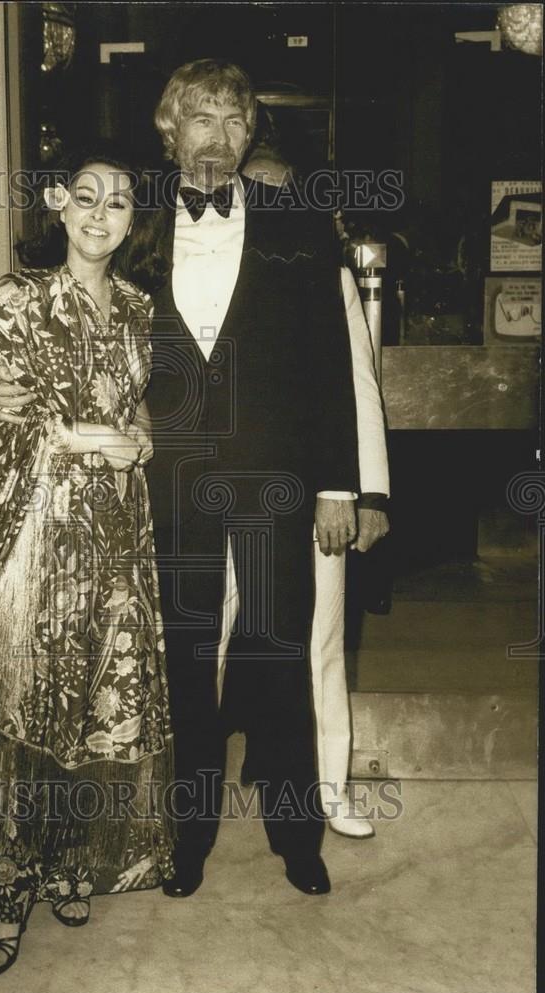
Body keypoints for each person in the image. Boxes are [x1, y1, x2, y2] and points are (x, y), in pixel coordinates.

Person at [0, 59, 359, 902]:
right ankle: (185, 841)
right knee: (178, 668)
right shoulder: (129, 223)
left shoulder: (298, 220)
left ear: (252, 137)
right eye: (201, 120)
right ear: (169, 132)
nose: (219, 138)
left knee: (281, 657)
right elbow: (46, 297)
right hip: (162, 482)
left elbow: (331, 361)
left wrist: (340, 486)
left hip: (277, 478)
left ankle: (297, 835)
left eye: (235, 122)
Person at [0, 149, 174, 976]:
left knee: (94, 698)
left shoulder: (134, 307)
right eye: (86, 198)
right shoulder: (18, 295)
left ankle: (70, 862)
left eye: (118, 203)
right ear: (59, 205)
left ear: (131, 219)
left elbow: (132, 403)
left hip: (115, 534)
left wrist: (141, 434)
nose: (100, 214)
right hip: (34, 529)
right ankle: (8, 893)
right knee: (21, 705)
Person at [240, 145, 391, 837]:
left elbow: (359, 385)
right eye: (254, 189)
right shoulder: (198, 264)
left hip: (312, 499)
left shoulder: (322, 270)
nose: (267, 203)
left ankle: (330, 790)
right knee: (200, 641)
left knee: (318, 643)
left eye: (279, 191)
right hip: (219, 495)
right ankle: (184, 801)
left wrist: (370, 495)